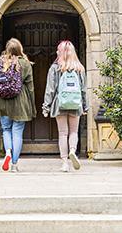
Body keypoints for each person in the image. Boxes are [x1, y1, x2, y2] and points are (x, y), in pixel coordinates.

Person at [42, 40, 88, 172]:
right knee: (73, 131)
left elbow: (50, 89)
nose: (56, 52)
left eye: (58, 50)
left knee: (63, 133)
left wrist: (46, 106)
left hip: (59, 104)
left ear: (61, 52)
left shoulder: (55, 68)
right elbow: (84, 89)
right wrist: (85, 106)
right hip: (75, 104)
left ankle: (64, 163)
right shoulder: (79, 68)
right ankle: (73, 150)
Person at [0, 38, 36, 172]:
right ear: (19, 49)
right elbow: (30, 88)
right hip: (20, 102)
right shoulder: (25, 64)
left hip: (3, 102)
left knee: (6, 130)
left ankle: (7, 153)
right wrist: (32, 106)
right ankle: (14, 164)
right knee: (17, 133)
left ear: (7, 49)